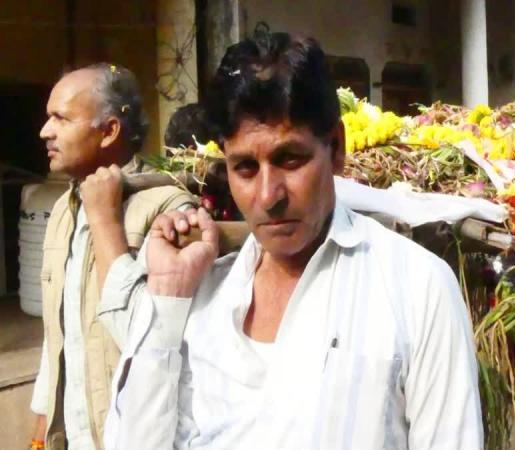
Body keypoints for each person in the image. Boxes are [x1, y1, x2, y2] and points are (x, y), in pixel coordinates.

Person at [101, 34, 483, 449]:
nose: (269, 196)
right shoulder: (200, 296)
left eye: (290, 159)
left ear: (335, 148)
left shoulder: (416, 288)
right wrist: (168, 296)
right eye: (245, 168)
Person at [28, 63, 195, 450]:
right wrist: (40, 433)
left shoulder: (169, 210)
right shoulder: (63, 209)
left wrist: (106, 221)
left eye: (61, 118)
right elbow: (58, 335)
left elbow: (154, 341)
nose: (45, 131)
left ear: (109, 131)